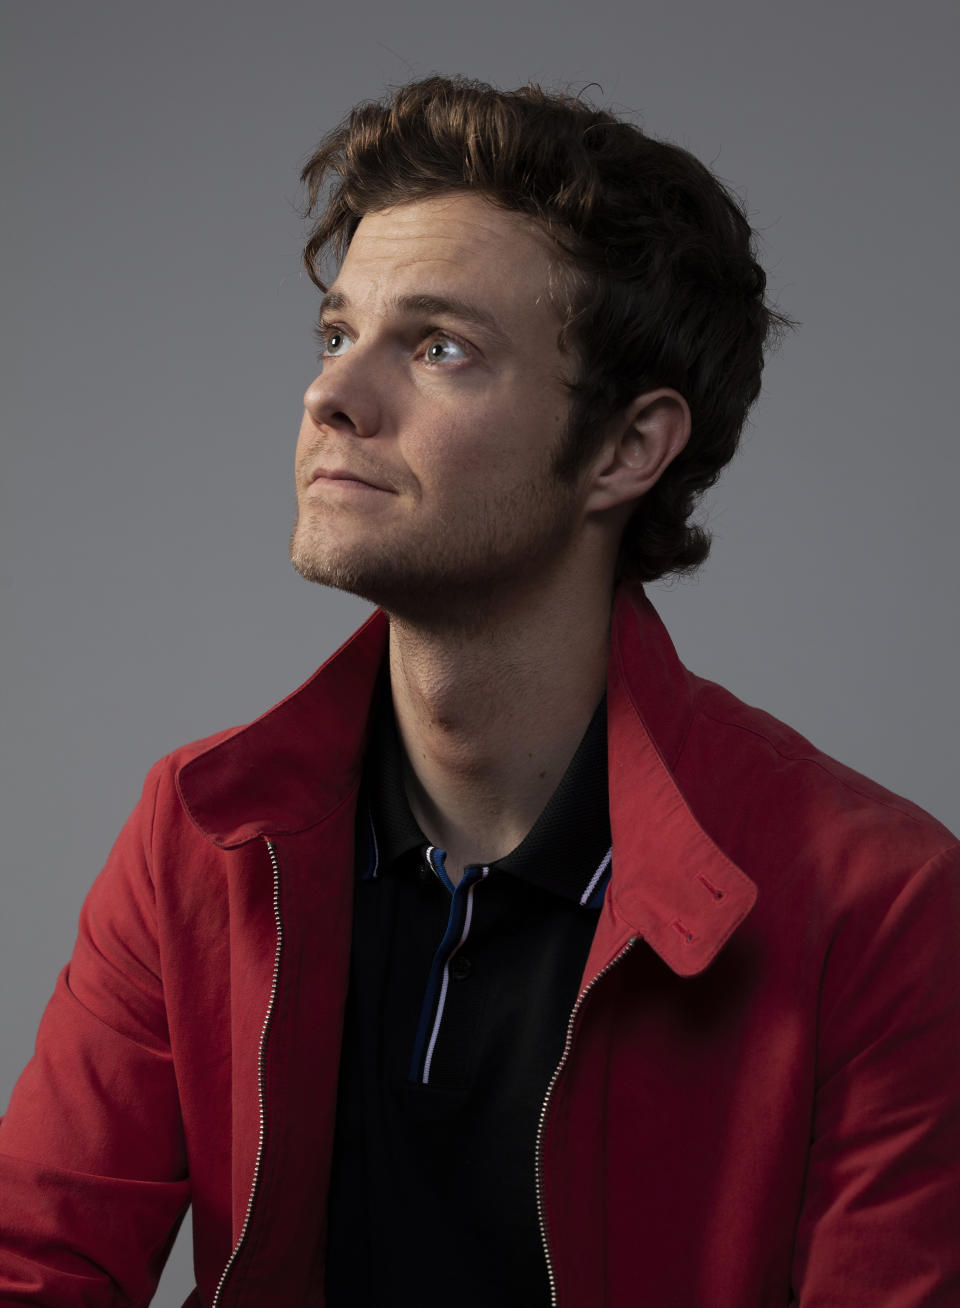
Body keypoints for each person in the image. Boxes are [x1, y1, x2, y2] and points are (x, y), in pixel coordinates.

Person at [1, 74, 958, 1308]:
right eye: (338, 335)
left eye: (441, 348)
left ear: (627, 449)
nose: (332, 395)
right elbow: (37, 1269)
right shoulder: (200, 829)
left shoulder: (879, 906)